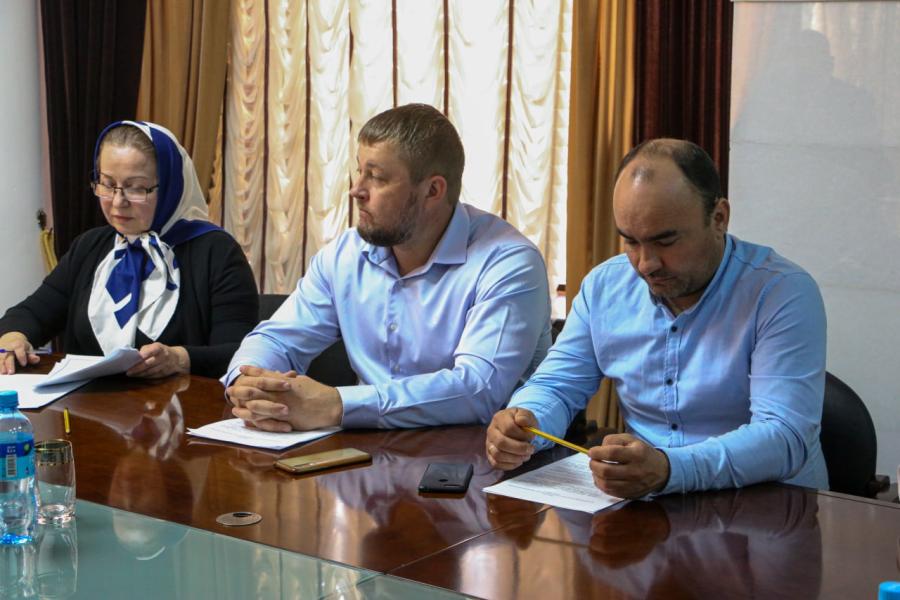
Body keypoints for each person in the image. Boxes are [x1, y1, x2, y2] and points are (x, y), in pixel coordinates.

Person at [486, 138, 828, 498]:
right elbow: (557, 387)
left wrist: (669, 469)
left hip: (769, 507)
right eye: (631, 242)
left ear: (719, 218)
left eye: (665, 241)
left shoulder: (781, 292)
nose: (646, 264)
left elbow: (784, 437)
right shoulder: (605, 287)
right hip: (650, 504)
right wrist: (525, 420)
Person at [225, 103, 551, 431]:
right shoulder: (346, 254)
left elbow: (478, 390)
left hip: (475, 452)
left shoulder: (508, 262)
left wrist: (338, 404)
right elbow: (278, 340)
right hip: (364, 448)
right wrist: (247, 380)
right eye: (359, 171)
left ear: (433, 190)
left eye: (377, 177)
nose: (356, 190)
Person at [0, 121, 258, 378]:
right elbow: (31, 313)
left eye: (136, 188)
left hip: (183, 403)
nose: (118, 202)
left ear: (170, 186)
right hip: (86, 401)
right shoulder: (90, 247)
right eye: (107, 184)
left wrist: (181, 358)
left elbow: (241, 353)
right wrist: (14, 337)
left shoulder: (217, 253)